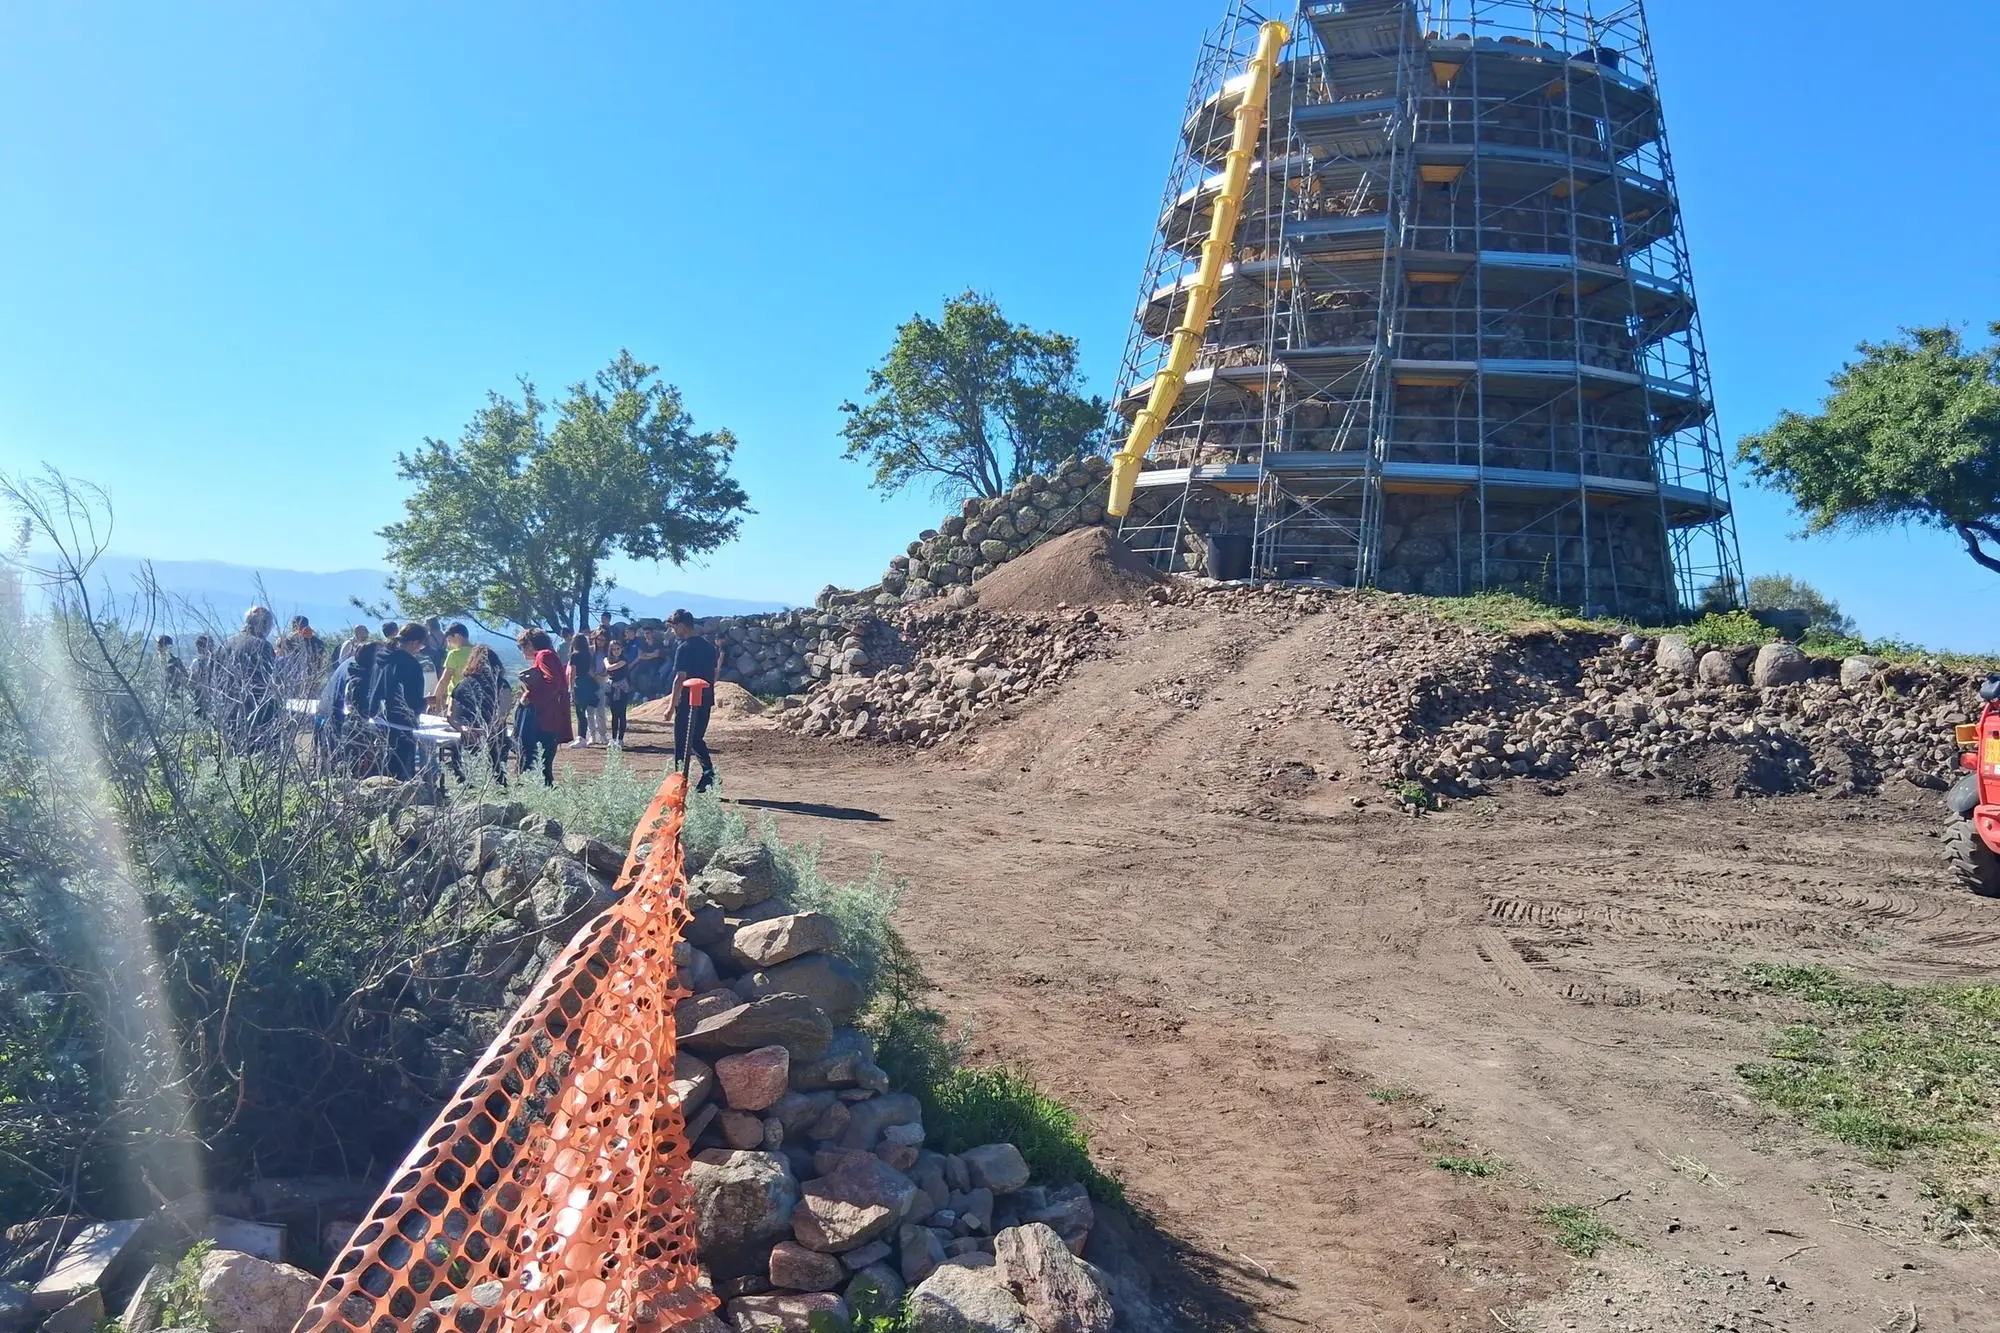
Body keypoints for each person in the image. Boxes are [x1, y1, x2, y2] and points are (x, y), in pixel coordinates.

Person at [665, 609, 719, 792]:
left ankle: (679, 780)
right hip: (706, 698)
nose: (673, 631)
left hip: (688, 700)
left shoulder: (684, 648)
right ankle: (709, 774)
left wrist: (671, 706)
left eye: (673, 627)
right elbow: (714, 673)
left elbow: (680, 678)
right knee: (696, 739)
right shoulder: (709, 647)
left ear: (680, 625)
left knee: (682, 742)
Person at [371, 624, 429, 781]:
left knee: (383, 772)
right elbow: (412, 700)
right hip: (402, 724)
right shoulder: (410, 664)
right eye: (422, 645)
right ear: (415, 643)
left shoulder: (382, 658)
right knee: (401, 775)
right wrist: (425, 702)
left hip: (380, 720)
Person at [217, 606, 279, 752]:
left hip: (229, 713)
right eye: (269, 625)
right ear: (263, 624)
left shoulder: (225, 644)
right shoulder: (262, 646)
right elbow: (270, 682)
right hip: (258, 716)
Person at [448, 643, 509, 784]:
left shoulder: (462, 685)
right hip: (495, 740)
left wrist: (465, 729)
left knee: (467, 781)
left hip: (468, 738)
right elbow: (503, 713)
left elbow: (450, 714)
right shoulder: (502, 685)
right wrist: (487, 731)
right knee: (496, 781)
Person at [517, 629, 571, 786]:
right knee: (542, 764)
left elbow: (553, 683)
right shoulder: (547, 655)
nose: (522, 651)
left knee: (538, 761)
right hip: (548, 716)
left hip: (545, 718)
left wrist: (530, 697)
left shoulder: (544, 655)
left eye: (522, 647)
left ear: (530, 644)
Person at [568, 632, 604, 748]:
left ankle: (581, 737)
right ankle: (589, 736)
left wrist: (570, 687)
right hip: (589, 683)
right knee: (588, 710)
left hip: (580, 683)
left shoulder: (574, 655)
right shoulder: (588, 654)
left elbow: (572, 672)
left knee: (580, 711)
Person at [277, 615, 328, 696]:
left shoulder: (291, 639)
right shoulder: (318, 642)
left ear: (295, 625)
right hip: (311, 679)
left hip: (295, 679)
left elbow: (280, 644)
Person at [432, 622, 473, 709]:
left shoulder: (454, 654)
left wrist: (435, 700)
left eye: (449, 640)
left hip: (456, 700)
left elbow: (444, 680)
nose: (448, 644)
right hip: (476, 699)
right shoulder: (480, 652)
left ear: (457, 636)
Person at [603, 637, 632, 747]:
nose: (616, 651)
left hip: (623, 689)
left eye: (618, 648)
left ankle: (620, 739)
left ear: (621, 649)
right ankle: (613, 738)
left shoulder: (624, 660)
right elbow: (608, 666)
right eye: (613, 649)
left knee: (622, 713)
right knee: (614, 714)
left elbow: (609, 668)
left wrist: (607, 663)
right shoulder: (607, 659)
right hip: (611, 689)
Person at [633, 625, 668, 700]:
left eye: (648, 633)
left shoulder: (658, 643)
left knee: (650, 675)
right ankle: (638, 693)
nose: (646, 635)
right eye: (645, 633)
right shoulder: (642, 644)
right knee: (634, 674)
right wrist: (651, 655)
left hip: (655, 664)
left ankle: (648, 695)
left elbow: (657, 654)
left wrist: (646, 655)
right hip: (643, 664)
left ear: (652, 633)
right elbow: (640, 656)